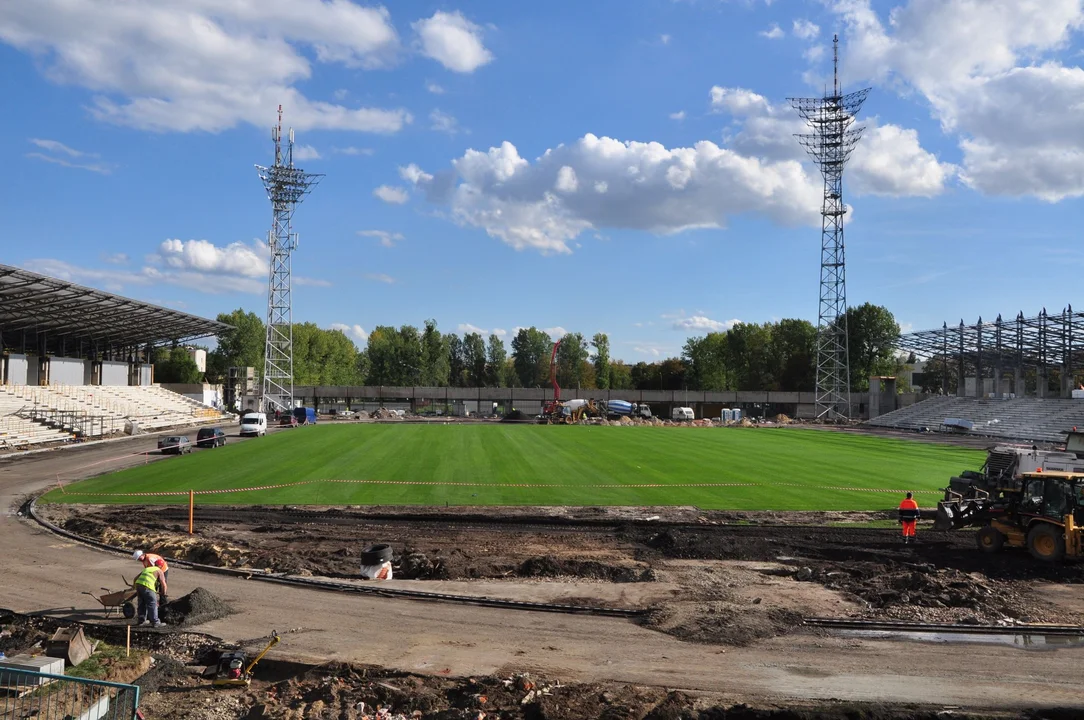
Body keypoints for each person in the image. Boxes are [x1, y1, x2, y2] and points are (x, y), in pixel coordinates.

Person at [132, 563, 167, 627]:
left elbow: (135, 578)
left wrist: (135, 587)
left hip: (138, 585)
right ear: (161, 566)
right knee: (153, 604)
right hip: (148, 586)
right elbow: (163, 584)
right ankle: (156, 622)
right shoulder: (159, 571)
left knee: (141, 603)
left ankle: (141, 621)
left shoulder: (147, 569)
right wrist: (163, 593)